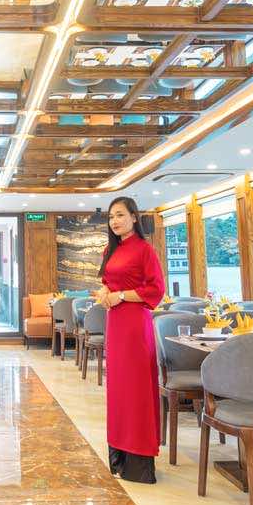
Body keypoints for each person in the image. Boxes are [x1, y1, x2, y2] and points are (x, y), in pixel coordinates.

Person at [93, 196, 165, 483]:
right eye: (111, 217)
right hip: (115, 324)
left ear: (134, 217)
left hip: (135, 325)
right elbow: (107, 282)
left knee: (136, 389)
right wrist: (104, 293)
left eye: (120, 215)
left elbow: (155, 290)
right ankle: (119, 454)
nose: (115, 221)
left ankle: (139, 461)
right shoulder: (110, 250)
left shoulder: (145, 250)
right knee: (118, 389)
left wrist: (120, 296)